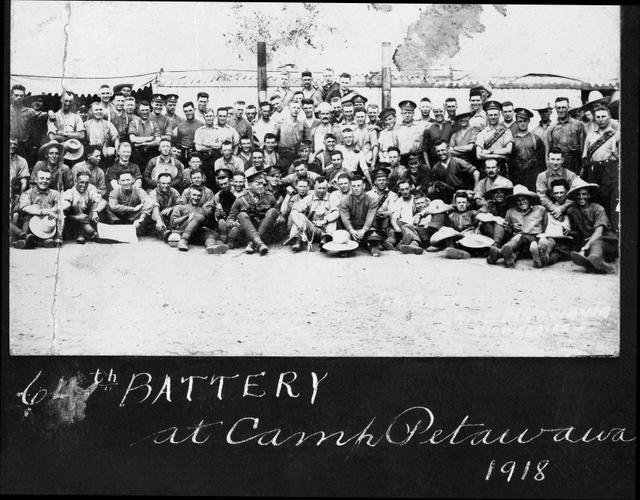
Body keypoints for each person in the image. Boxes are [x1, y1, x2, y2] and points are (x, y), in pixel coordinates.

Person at [566, 179, 617, 274]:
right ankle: (597, 264)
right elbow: (577, 230)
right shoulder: (572, 211)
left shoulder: (598, 209)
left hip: (607, 241)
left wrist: (584, 248)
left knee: (596, 245)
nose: (581, 197)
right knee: (590, 248)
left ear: (589, 195)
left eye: (584, 194)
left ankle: (595, 259)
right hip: (588, 241)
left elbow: (599, 232)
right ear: (574, 196)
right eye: (578, 194)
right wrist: (571, 232)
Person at [227, 168, 283, 254]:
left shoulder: (270, 197)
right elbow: (229, 220)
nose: (261, 187)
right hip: (247, 233)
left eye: (263, 184)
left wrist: (278, 219)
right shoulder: (240, 200)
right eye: (258, 184)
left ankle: (253, 244)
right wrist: (235, 223)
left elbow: (280, 216)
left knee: (272, 211)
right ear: (249, 185)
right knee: (242, 215)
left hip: (266, 233)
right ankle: (259, 243)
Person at [582, 104, 619, 229]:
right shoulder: (591, 135)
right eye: (598, 117)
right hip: (593, 170)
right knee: (596, 198)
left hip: (610, 171)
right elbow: (585, 155)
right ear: (595, 118)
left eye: (603, 116)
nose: (601, 119)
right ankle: (598, 228)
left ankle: (612, 229)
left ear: (609, 117)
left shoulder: (616, 135)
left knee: (611, 200)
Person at [497, 185, 548, 268]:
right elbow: (507, 230)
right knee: (518, 246)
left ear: (529, 199)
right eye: (518, 200)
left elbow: (545, 225)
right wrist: (512, 227)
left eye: (524, 199)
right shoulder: (510, 212)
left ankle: (500, 252)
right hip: (517, 241)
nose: (521, 202)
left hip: (535, 239)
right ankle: (509, 259)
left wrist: (543, 236)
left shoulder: (540, 209)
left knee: (522, 239)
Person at [284, 175, 338, 252]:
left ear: (327, 188)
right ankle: (297, 239)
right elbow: (296, 209)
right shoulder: (310, 198)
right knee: (297, 214)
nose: (321, 190)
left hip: (326, 229)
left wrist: (325, 221)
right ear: (314, 187)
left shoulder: (332, 197)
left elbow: (336, 212)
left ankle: (326, 240)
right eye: (319, 188)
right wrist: (300, 224)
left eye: (324, 188)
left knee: (334, 218)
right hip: (312, 229)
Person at [169, 186, 228, 253]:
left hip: (195, 235)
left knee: (209, 235)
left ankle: (211, 246)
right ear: (189, 195)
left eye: (199, 196)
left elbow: (204, 225)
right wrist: (187, 217)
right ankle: (183, 241)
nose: (196, 198)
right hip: (181, 232)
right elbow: (173, 222)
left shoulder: (203, 210)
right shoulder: (180, 207)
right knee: (199, 217)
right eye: (194, 195)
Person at [338, 174, 382, 256]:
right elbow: (345, 218)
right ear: (351, 187)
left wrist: (364, 230)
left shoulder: (372, 200)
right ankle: (348, 247)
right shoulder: (345, 201)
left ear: (364, 186)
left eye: (359, 185)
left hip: (366, 229)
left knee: (373, 235)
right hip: (352, 229)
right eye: (354, 186)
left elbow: (370, 217)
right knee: (343, 236)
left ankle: (373, 246)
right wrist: (351, 230)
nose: (356, 188)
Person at [17, 169, 62, 248]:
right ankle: (30, 239)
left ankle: (41, 241)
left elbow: (61, 204)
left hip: (47, 224)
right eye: (41, 178)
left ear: (50, 181)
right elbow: (25, 207)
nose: (44, 181)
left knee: (56, 218)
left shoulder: (55, 193)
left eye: (47, 179)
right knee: (27, 218)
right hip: (32, 222)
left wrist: (51, 211)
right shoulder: (28, 193)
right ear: (36, 179)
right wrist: (41, 212)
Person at [62, 171, 106, 243]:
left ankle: (84, 234)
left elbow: (103, 201)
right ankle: (90, 233)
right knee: (76, 207)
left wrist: (95, 211)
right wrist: (75, 217)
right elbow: (62, 212)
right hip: (72, 223)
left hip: (86, 218)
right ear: (76, 181)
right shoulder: (69, 192)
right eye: (82, 182)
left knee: (95, 204)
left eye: (86, 183)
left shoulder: (90, 190)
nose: (84, 185)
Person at [10, 84, 51, 161]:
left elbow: (44, 114)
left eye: (21, 95)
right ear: (11, 95)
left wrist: (50, 112)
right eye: (16, 95)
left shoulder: (29, 111)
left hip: (23, 146)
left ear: (24, 97)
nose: (18, 97)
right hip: (9, 144)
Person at [508, 107, 546, 190]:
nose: (522, 123)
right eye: (520, 121)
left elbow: (542, 160)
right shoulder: (512, 140)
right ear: (516, 122)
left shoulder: (536, 138)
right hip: (517, 175)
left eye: (525, 121)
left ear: (528, 121)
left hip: (533, 175)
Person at [535, 148, 578, 220]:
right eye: (552, 159)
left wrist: (561, 208)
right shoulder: (542, 176)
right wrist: (554, 208)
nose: (555, 163)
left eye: (558, 159)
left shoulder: (571, 175)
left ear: (562, 160)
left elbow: (574, 194)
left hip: (567, 207)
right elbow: (541, 195)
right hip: (550, 207)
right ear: (548, 160)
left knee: (573, 210)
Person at [546, 96, 585, 174]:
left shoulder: (578, 125)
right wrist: (548, 166)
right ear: (555, 109)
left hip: (575, 162)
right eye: (558, 108)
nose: (561, 110)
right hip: (558, 162)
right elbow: (548, 149)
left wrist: (583, 166)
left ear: (568, 107)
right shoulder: (551, 128)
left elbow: (583, 147)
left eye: (563, 107)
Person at [474, 100, 513, 173]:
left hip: (501, 168)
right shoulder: (482, 133)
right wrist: (499, 156)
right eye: (491, 115)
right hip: (486, 169)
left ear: (499, 115)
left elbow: (508, 150)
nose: (493, 117)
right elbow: (478, 155)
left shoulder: (506, 131)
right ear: (487, 116)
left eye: (495, 115)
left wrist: (489, 152)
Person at [368, 167, 398, 250]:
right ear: (375, 182)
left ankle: (382, 242)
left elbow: (394, 209)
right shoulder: (368, 194)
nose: (382, 182)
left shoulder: (392, 195)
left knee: (392, 236)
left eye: (384, 180)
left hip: (387, 224)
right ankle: (379, 242)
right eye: (379, 180)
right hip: (373, 223)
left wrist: (386, 213)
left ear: (387, 181)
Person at [388, 178, 421, 253]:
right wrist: (396, 227)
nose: (405, 192)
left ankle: (403, 244)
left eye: (407, 189)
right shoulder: (398, 202)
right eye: (402, 189)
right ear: (399, 190)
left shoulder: (416, 198)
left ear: (410, 188)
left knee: (408, 228)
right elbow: (394, 218)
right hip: (403, 226)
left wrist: (419, 215)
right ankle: (414, 244)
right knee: (403, 226)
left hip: (416, 224)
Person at [146, 172, 181, 238]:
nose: (166, 185)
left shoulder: (173, 191)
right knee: (154, 207)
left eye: (168, 183)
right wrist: (159, 221)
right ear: (158, 183)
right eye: (163, 183)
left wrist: (171, 208)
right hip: (156, 219)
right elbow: (155, 207)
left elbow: (181, 204)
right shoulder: (153, 193)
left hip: (170, 217)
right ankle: (165, 232)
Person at [128, 100, 160, 168]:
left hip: (151, 154)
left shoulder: (153, 124)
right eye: (142, 110)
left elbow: (157, 141)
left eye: (147, 110)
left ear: (150, 111)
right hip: (137, 155)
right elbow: (133, 139)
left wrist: (142, 143)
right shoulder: (133, 123)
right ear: (138, 111)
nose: (145, 112)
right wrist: (150, 138)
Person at [275, 100, 305, 165]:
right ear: (289, 109)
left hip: (296, 156)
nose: (296, 110)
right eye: (294, 108)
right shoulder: (281, 123)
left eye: (298, 108)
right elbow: (275, 138)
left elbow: (301, 140)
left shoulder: (301, 124)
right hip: (283, 156)